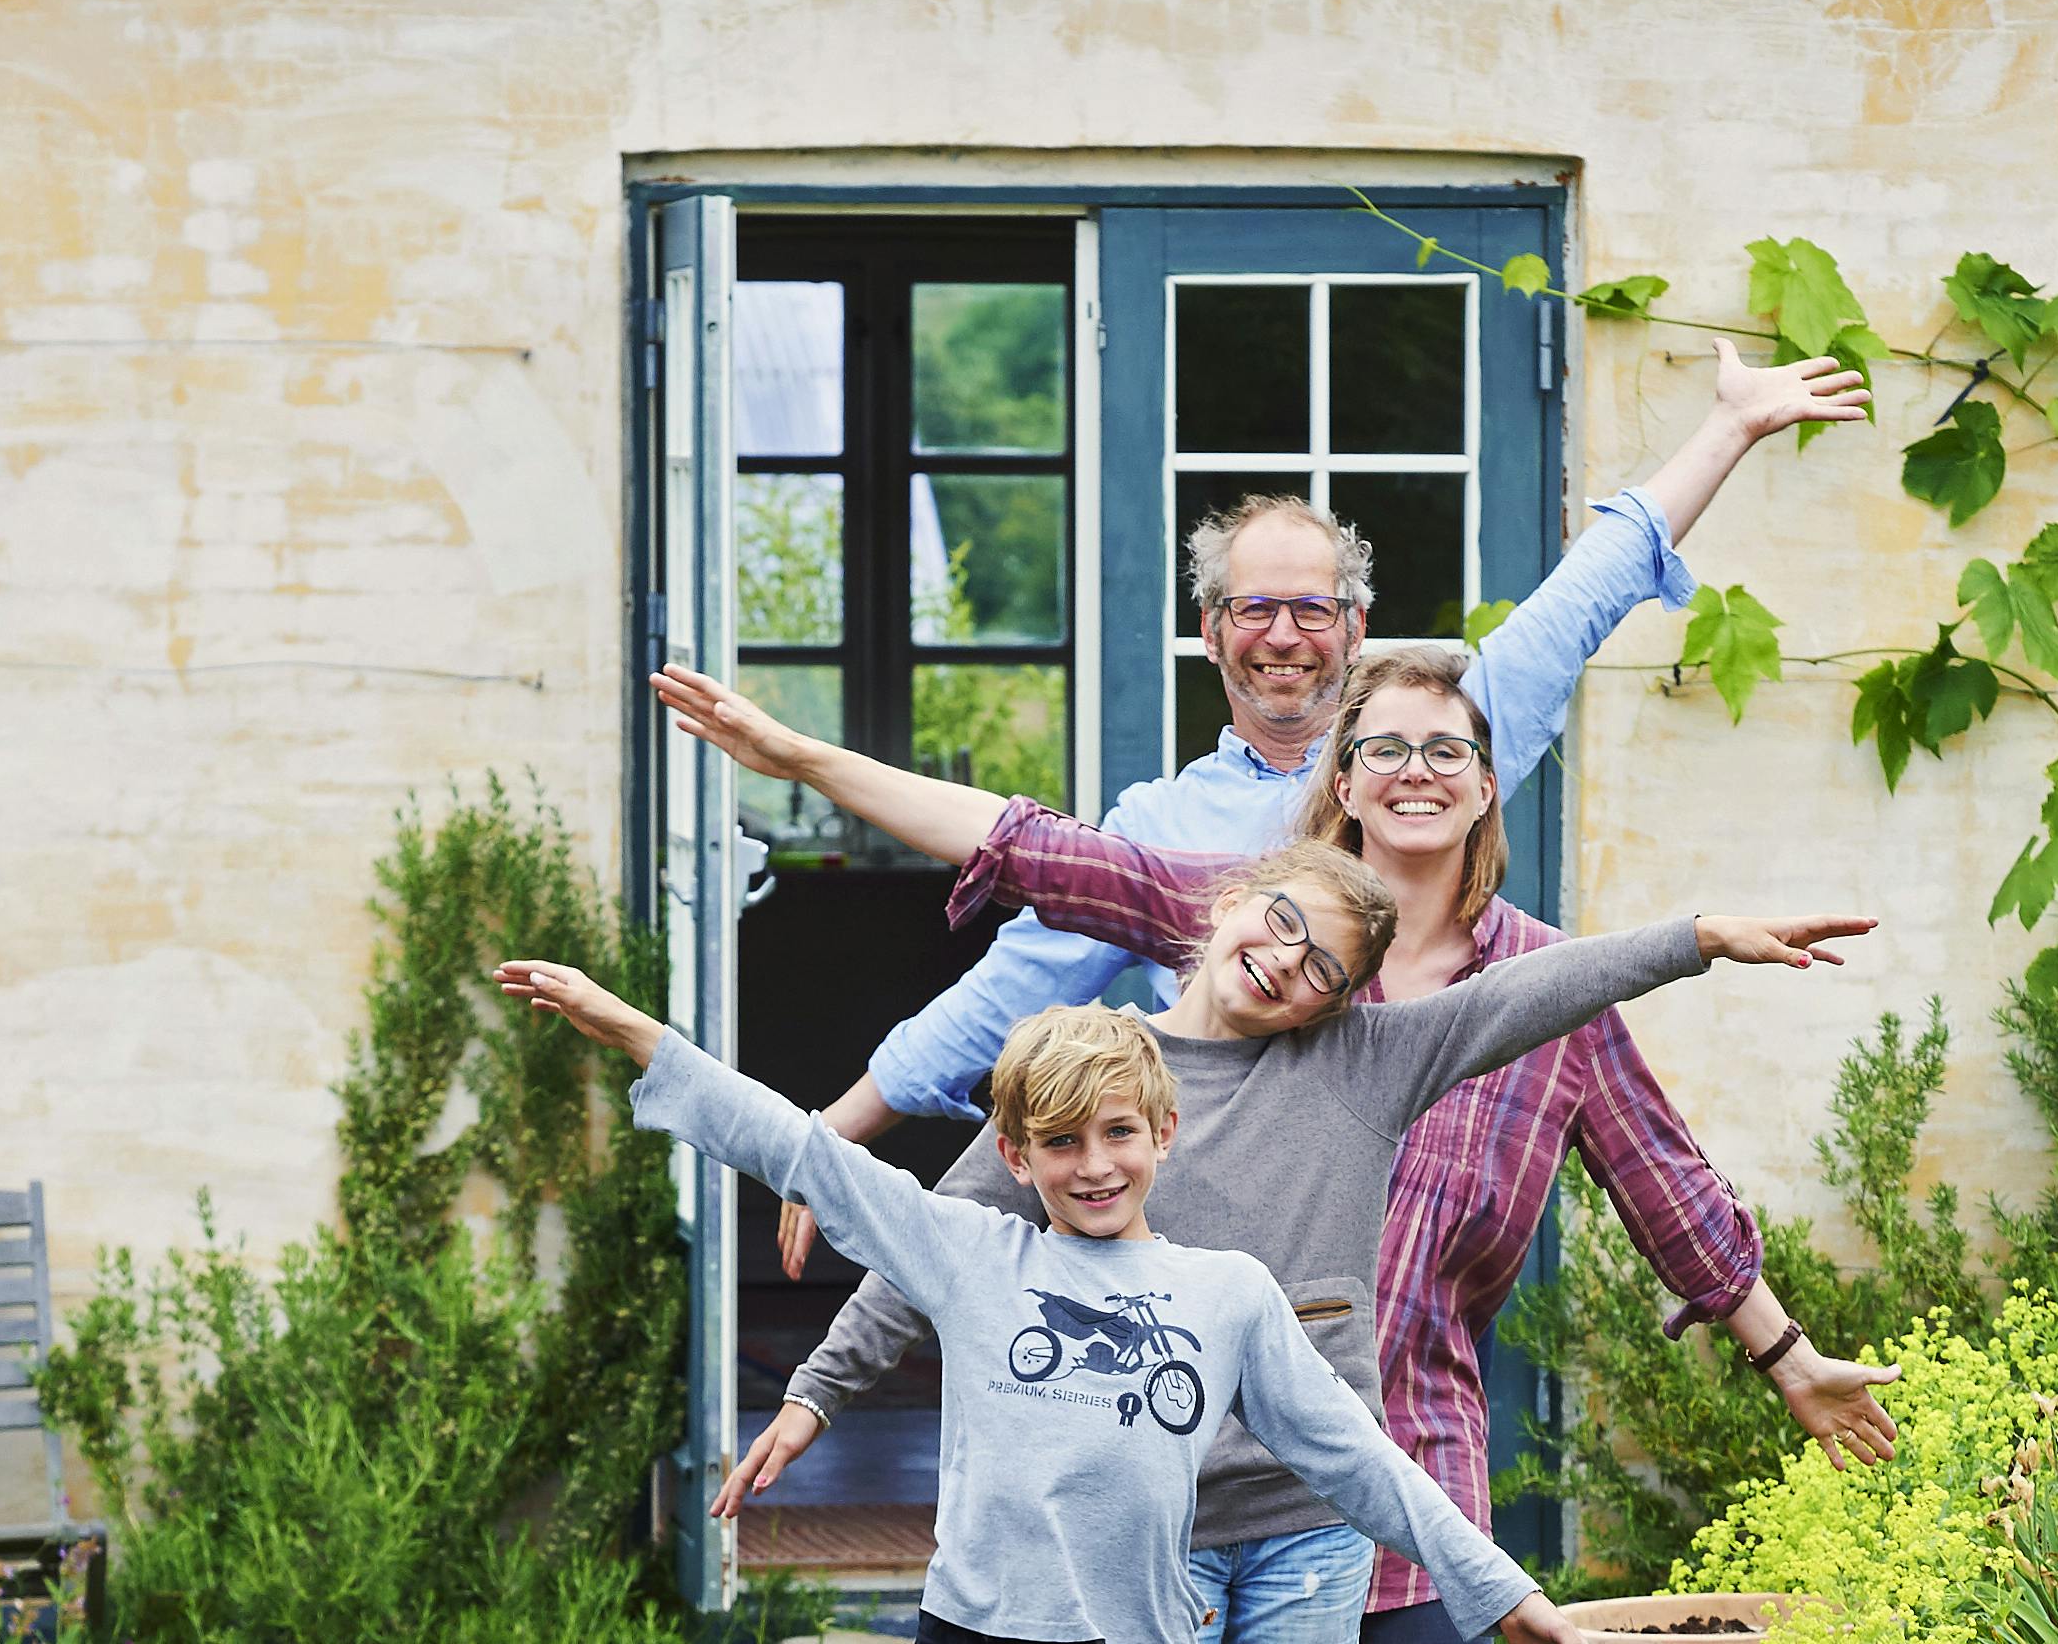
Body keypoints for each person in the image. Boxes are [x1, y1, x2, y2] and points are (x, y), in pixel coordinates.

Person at [648, 666, 1873, 1644]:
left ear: (1490, 786)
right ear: (1320, 801)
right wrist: (803, 759)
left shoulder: (1410, 1038)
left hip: (1365, 1486)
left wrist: (1699, 936)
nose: (1288, 960)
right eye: (1383, 745)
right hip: (1164, 1492)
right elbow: (957, 1214)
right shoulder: (1152, 1023)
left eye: (1446, 748)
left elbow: (1613, 1091)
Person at [786, 337, 1870, 1273]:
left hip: (1414, 1207)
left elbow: (1584, 592)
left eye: (1313, 608)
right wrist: (835, 1130)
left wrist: (1727, 429)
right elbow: (1009, 987)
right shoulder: (1162, 834)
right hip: (1234, 1222)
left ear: (1356, 628)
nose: (1284, 636)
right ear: (1210, 632)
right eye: (1254, 608)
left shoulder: (1434, 739)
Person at [491, 961, 1588, 1644]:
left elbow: (1360, 1458)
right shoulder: (969, 1251)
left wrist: (1500, 1592)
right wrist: (637, 1031)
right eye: (1059, 1142)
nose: (1092, 1164)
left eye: (1117, 1132)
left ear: (1162, 1132)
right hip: (975, 1627)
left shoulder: (1226, 1295)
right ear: (1014, 1153)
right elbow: (797, 1147)